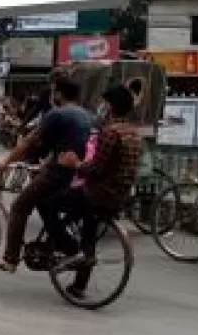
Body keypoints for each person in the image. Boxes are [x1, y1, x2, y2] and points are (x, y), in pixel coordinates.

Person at [0, 76, 93, 272]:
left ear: (59, 93)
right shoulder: (85, 115)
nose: (52, 95)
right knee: (46, 209)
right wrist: (44, 163)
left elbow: (29, 141)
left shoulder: (57, 114)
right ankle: (66, 248)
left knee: (19, 207)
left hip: (57, 174)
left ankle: (10, 259)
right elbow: (66, 145)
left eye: (54, 91)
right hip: (73, 174)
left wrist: (5, 161)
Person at [47, 85, 142, 296]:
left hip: (99, 193)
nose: (103, 108)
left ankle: (69, 248)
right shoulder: (135, 133)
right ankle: (79, 285)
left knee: (48, 203)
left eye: (105, 104)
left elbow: (96, 168)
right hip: (120, 196)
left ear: (110, 106)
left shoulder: (111, 132)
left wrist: (75, 164)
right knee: (89, 229)